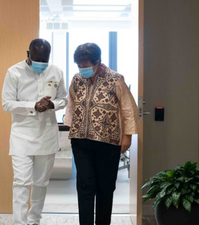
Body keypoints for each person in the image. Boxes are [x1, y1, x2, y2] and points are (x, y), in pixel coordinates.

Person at [64, 43, 138, 225]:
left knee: (105, 187)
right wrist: (70, 127)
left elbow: (128, 108)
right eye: (79, 66)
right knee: (85, 186)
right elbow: (71, 103)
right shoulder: (76, 79)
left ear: (97, 62)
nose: (82, 70)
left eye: (86, 66)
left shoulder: (115, 79)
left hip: (108, 142)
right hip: (81, 141)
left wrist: (127, 136)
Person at [2, 38, 68, 225]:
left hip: (46, 135)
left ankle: (34, 220)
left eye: (44, 60)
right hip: (22, 135)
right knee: (21, 182)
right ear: (28, 54)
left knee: (41, 183)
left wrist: (52, 104)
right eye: (37, 59)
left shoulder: (56, 71)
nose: (41, 64)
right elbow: (7, 104)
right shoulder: (14, 72)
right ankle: (20, 222)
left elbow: (64, 99)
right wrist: (34, 106)